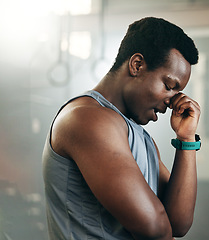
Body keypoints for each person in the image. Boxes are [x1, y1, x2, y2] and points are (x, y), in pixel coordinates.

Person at [42, 17, 200, 240]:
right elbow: (155, 228)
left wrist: (186, 139)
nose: (172, 101)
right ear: (137, 65)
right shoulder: (86, 118)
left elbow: (179, 224)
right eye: (169, 86)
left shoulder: (141, 137)